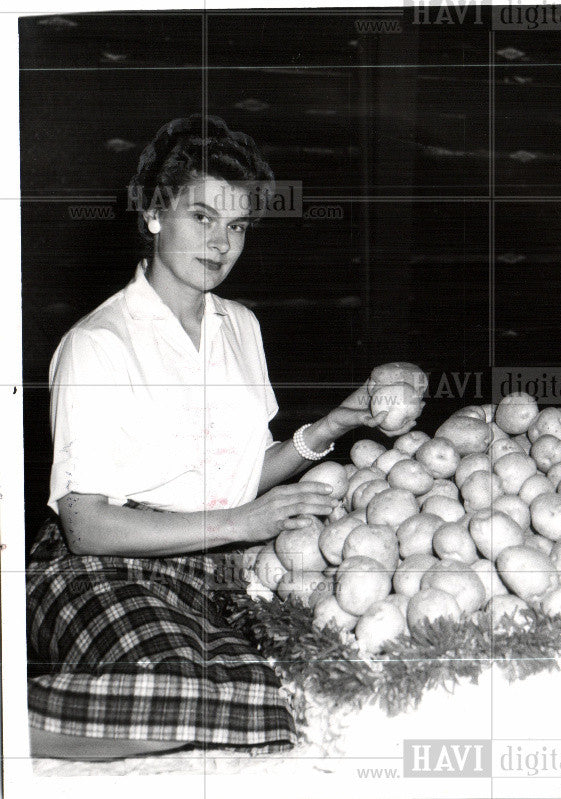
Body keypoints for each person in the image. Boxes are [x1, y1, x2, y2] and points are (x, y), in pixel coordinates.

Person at [26, 115, 409, 759]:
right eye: (202, 218)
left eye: (236, 227)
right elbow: (85, 525)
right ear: (153, 214)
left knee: (286, 699)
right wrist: (239, 522)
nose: (221, 244)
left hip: (211, 575)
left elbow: (235, 476)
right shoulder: (99, 343)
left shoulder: (241, 327)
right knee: (211, 695)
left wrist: (335, 425)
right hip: (99, 570)